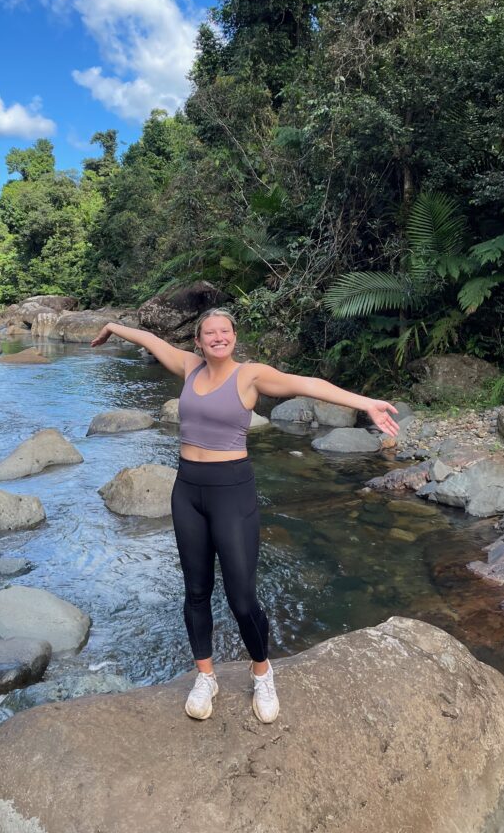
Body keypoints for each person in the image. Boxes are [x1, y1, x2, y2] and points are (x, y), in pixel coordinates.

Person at [91, 308, 399, 724]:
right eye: (209, 333)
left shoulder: (250, 376)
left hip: (231, 491)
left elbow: (307, 385)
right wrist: (112, 327)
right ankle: (206, 676)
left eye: (225, 331)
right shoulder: (189, 366)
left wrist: (365, 404)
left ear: (234, 336)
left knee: (241, 597)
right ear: (198, 341)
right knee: (196, 591)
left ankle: (262, 672)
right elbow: (150, 340)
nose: (218, 337)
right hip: (188, 491)